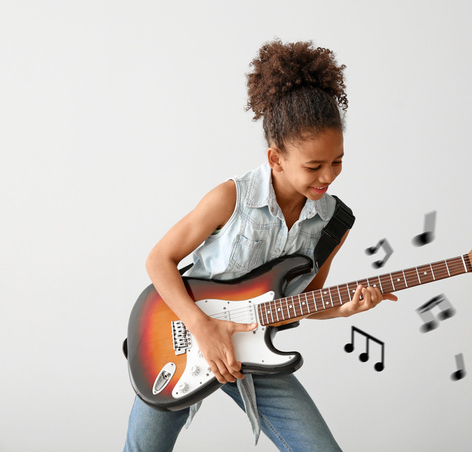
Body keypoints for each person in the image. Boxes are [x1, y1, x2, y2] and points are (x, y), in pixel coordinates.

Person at [124, 39, 398, 451]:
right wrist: (202, 327)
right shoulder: (230, 198)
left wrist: (346, 308)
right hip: (184, 337)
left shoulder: (333, 222)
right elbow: (158, 260)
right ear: (275, 158)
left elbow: (309, 298)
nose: (329, 176)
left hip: (255, 352)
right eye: (313, 166)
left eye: (337, 161)